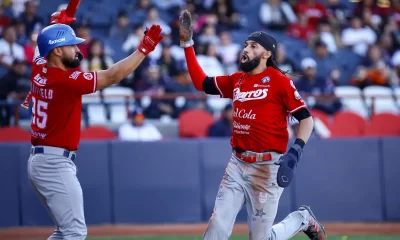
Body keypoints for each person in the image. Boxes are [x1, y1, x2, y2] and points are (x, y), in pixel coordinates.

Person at [179, 10, 326, 240]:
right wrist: (187, 43)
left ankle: (302, 219)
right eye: (246, 44)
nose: (246, 49)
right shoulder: (237, 79)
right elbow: (201, 83)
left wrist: (295, 152)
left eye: (254, 46)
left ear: (267, 53)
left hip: (267, 168)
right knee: (216, 227)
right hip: (237, 164)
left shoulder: (280, 82)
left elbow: (306, 119)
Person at [25, 9, 163, 239]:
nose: (78, 49)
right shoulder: (66, 81)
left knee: (66, 231)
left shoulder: (40, 67)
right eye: (71, 45)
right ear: (57, 50)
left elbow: (42, 49)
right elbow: (113, 76)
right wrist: (143, 49)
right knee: (76, 232)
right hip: (53, 163)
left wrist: (59, 23)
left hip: (42, 160)